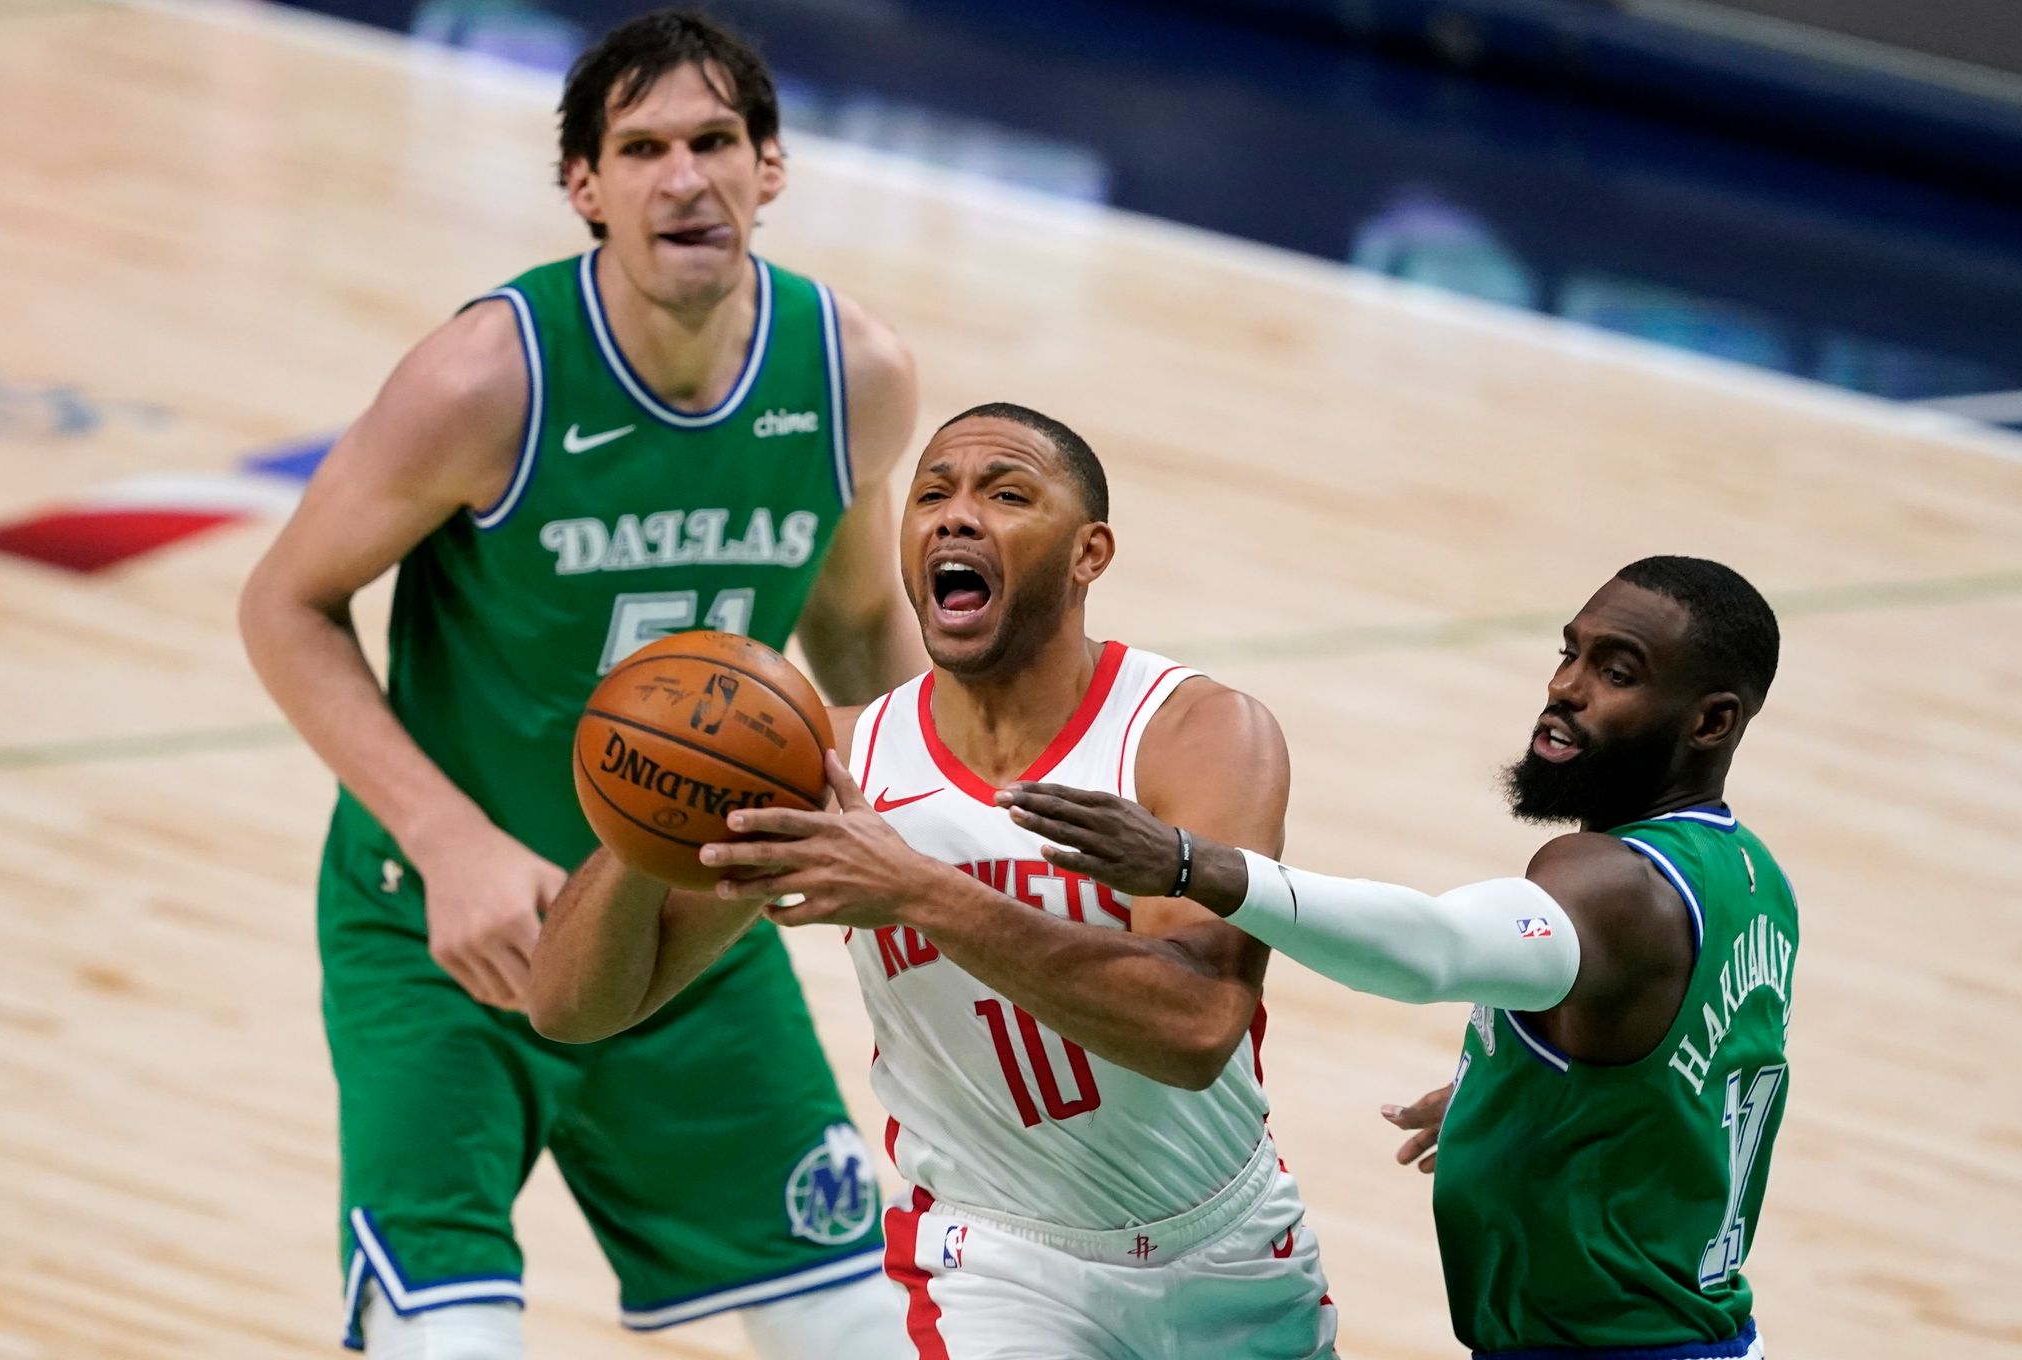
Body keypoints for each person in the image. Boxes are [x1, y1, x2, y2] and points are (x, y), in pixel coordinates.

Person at [238, 11, 927, 1357]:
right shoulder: (485, 379)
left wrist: (927, 833)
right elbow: (285, 604)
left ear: (770, 167)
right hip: (449, 943)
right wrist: (447, 841)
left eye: (717, 140)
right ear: (586, 187)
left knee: (865, 1334)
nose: (686, 176)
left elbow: (856, 629)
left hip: (685, 939)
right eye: (645, 147)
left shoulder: (851, 374)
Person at [531, 402, 1339, 1360]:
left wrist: (916, 890)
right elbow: (572, 1008)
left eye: (1005, 494)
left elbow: (1195, 1028)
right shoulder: (830, 761)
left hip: (1229, 1250)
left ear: (1090, 554)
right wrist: (655, 816)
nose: (956, 517)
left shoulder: (1190, 735)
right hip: (994, 1260)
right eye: (931, 494)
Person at [1000, 556, 1795, 1360]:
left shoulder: (1608, 885)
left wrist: (1189, 864)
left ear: (1711, 722)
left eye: (1616, 672)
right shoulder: (1753, 880)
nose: (1567, 686)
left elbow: (1431, 949)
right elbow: (1697, 1067)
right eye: (1569, 652)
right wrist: (1532, 1094)